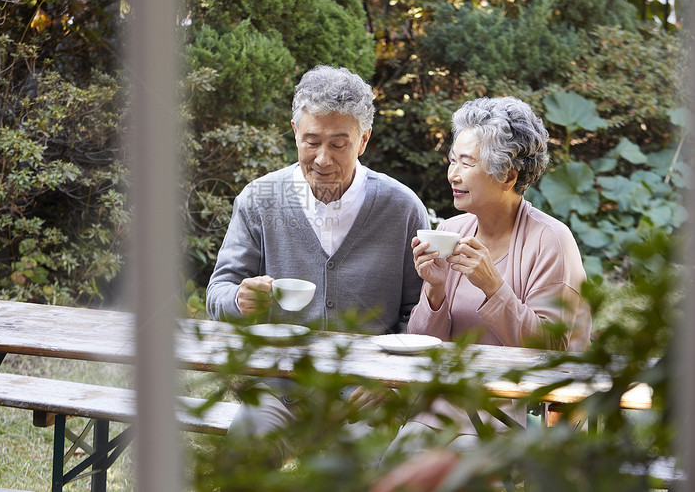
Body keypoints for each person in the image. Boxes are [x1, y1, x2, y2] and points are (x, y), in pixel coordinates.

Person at [206, 64, 429, 465]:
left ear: (364, 140)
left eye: (339, 144)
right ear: (294, 131)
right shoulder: (260, 200)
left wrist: (392, 387)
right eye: (311, 141)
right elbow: (218, 293)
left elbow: (419, 314)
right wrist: (240, 301)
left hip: (367, 394)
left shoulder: (402, 208)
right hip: (282, 388)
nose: (322, 159)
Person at [385, 96, 592, 459]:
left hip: (518, 412)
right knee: (397, 462)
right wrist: (434, 289)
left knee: (455, 467)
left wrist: (493, 287)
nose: (453, 173)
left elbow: (552, 352)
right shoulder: (451, 230)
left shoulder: (551, 240)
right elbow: (425, 347)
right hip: (445, 404)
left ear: (508, 176)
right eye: (452, 160)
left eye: (467, 163)